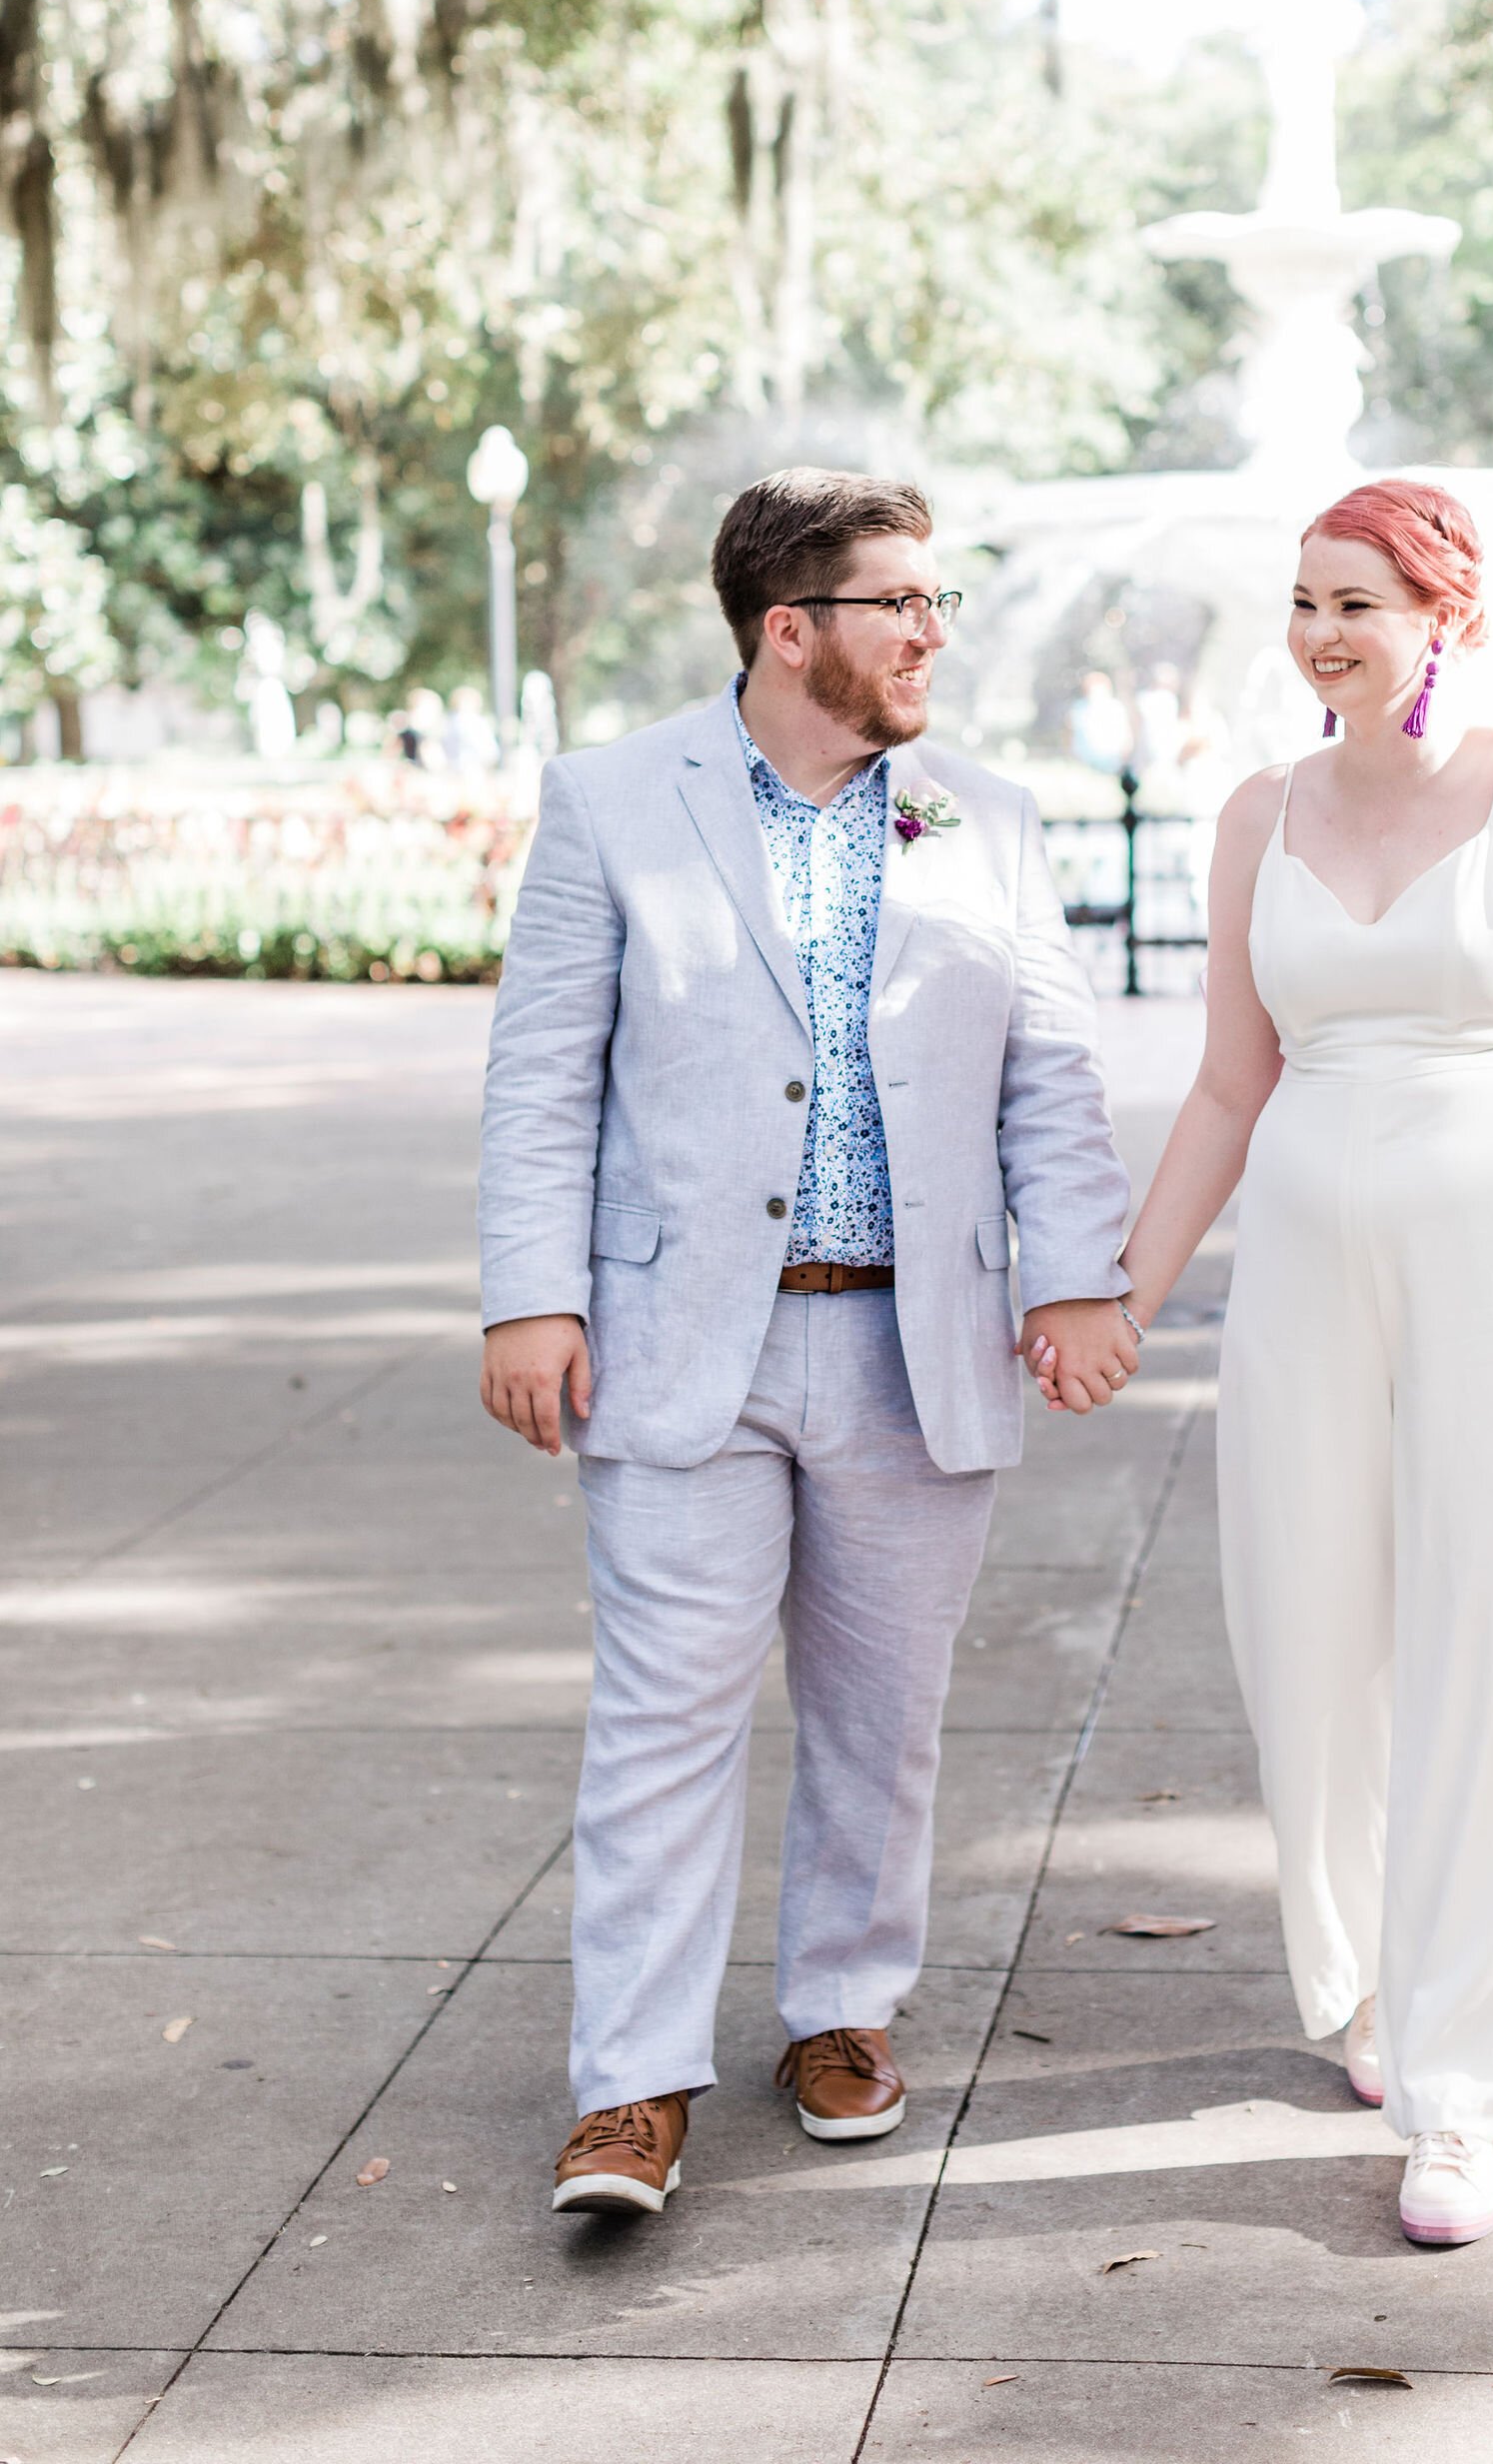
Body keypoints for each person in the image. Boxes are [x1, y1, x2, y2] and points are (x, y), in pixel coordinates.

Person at [477, 468, 1134, 2218]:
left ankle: (839, 2012)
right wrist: (529, 1292)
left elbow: (1048, 1071)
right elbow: (542, 1071)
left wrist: (1073, 1280)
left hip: (915, 1350)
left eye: (940, 603)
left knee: (880, 1718)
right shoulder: (614, 801)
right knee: (663, 1720)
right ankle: (631, 2085)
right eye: (901, 603)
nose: (935, 634)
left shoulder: (983, 817)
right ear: (793, 628)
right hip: (680, 1341)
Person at [1100, 479, 1493, 2251]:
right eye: (1302, 601)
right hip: (1300, 1267)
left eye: (1357, 601)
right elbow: (1228, 1080)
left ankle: (1470, 2098)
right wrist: (1126, 1296)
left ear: (1446, 615)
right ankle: (1363, 1980)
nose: (1319, 633)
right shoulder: (1256, 813)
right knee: (1309, 1636)